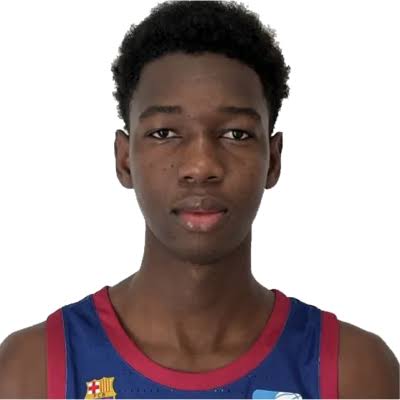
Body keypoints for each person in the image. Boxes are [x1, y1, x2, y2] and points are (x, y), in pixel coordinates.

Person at [0, 1, 398, 398]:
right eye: (164, 133)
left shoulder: (355, 373)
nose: (201, 166)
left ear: (273, 160)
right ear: (124, 159)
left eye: (236, 134)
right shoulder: (32, 372)